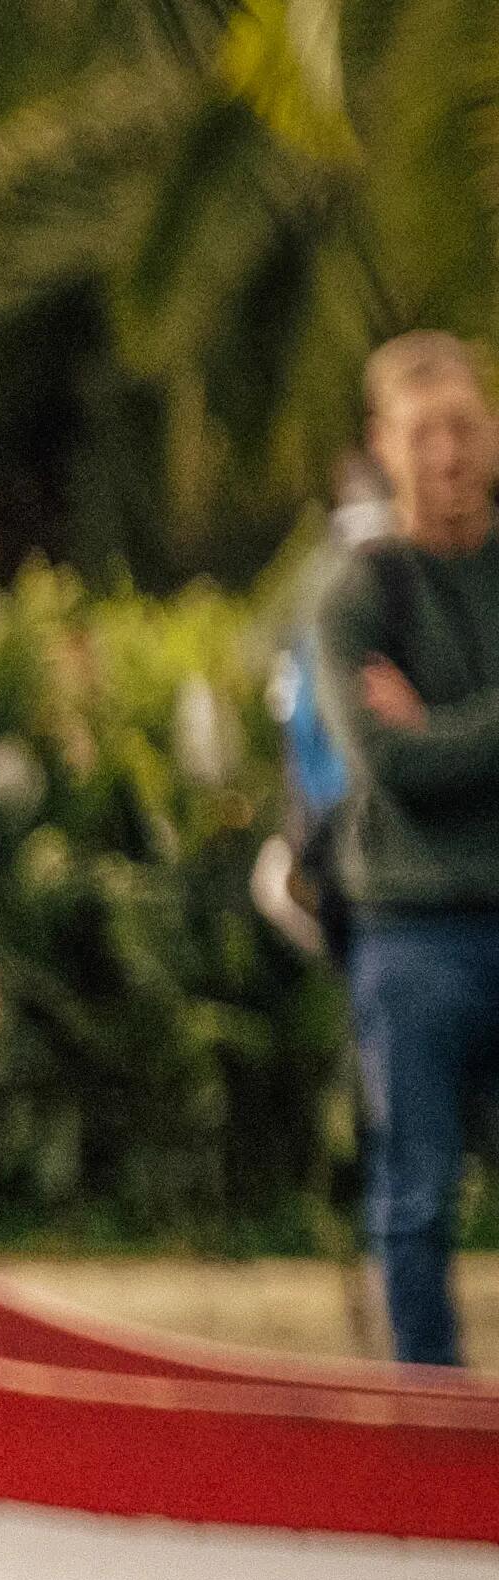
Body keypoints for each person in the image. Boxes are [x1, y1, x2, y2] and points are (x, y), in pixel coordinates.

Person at [314, 328, 499, 1371]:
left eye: (464, 427)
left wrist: (448, 725)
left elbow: (434, 752)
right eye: (424, 433)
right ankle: (431, 1418)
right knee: (417, 1193)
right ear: (386, 445)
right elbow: (395, 769)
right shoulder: (357, 597)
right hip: (411, 937)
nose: (448, 454)